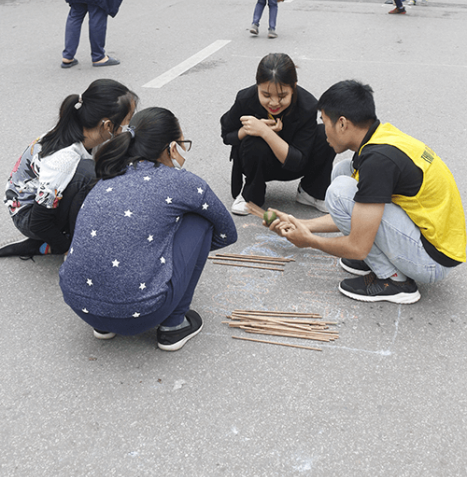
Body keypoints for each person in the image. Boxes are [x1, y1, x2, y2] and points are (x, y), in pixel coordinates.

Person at [267, 80, 466, 304]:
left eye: (324, 122)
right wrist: (301, 223)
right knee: (344, 172)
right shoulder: (380, 137)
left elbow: (357, 247)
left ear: (342, 124)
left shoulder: (378, 162)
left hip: (431, 261)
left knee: (340, 191)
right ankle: (384, 259)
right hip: (431, 239)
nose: (323, 132)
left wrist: (310, 240)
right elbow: (360, 213)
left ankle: (396, 281)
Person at [59, 107, 237, 348]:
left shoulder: (108, 175)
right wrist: (172, 250)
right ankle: (174, 326)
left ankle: (102, 323)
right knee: (201, 220)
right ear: (172, 147)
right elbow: (227, 232)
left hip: (80, 304)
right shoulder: (184, 183)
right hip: (140, 316)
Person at [2, 80, 137, 259]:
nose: (128, 129)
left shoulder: (86, 132)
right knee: (89, 175)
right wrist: (68, 250)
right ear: (107, 126)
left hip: (44, 206)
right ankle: (71, 243)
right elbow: (39, 223)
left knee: (100, 173)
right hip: (29, 216)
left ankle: (50, 243)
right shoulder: (62, 159)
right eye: (127, 122)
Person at [220, 53, 336, 216]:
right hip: (257, 163)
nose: (274, 103)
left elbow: (297, 161)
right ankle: (251, 196)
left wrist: (265, 132)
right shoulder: (245, 99)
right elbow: (226, 135)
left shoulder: (307, 106)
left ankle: (310, 192)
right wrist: (245, 130)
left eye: (282, 96)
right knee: (253, 141)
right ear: (257, 86)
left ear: (294, 87)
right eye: (266, 95)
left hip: (295, 165)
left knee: (327, 134)